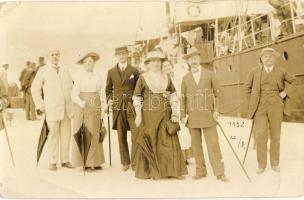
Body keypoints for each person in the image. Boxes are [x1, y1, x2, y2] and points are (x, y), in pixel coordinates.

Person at [133, 50, 187, 180]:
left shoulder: (166, 76)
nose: (157, 63)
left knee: (168, 140)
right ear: (149, 63)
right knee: (151, 139)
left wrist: (174, 112)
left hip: (165, 113)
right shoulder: (143, 77)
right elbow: (137, 97)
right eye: (154, 61)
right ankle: (151, 172)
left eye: (159, 61)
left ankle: (171, 171)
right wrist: (138, 115)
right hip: (148, 115)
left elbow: (173, 95)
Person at [244, 47, 297, 174]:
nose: (268, 58)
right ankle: (261, 165)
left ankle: (275, 163)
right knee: (260, 136)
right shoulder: (254, 72)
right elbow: (247, 88)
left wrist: (285, 92)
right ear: (261, 59)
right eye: (265, 56)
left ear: (274, 59)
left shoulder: (281, 71)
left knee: (275, 136)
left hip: (276, 107)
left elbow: (295, 81)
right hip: (260, 108)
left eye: (270, 56)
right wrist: (252, 103)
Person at [180, 48, 229, 182]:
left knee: (213, 144)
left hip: (209, 116)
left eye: (195, 58)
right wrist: (183, 115)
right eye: (190, 59)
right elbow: (182, 98)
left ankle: (220, 172)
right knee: (196, 146)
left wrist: (217, 110)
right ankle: (200, 171)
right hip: (193, 117)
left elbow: (218, 93)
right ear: (188, 62)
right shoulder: (185, 78)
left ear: (200, 59)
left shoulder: (210, 74)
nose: (193, 61)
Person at [31, 50, 74, 171]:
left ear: (60, 56)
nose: (55, 57)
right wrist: (40, 105)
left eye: (57, 54)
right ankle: (53, 161)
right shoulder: (43, 70)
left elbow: (71, 86)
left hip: (66, 108)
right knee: (53, 135)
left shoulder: (65, 69)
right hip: (52, 108)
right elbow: (35, 89)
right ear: (48, 56)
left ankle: (65, 160)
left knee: (66, 134)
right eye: (52, 55)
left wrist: (73, 103)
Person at [105, 46, 140, 171]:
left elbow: (139, 88)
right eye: (119, 54)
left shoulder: (135, 71)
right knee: (121, 135)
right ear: (116, 56)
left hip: (132, 106)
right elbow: (108, 89)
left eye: (123, 54)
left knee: (135, 134)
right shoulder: (111, 72)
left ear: (127, 55)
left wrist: (139, 103)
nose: (121, 56)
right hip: (118, 107)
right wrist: (109, 99)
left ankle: (136, 161)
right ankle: (125, 162)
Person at [71, 52, 105, 171]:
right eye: (85, 62)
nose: (88, 64)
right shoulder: (79, 76)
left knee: (95, 131)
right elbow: (74, 95)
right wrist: (81, 103)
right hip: (83, 107)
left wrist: (103, 108)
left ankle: (95, 162)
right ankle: (86, 162)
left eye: (90, 61)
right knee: (85, 132)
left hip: (95, 106)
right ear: (83, 64)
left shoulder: (98, 76)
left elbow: (101, 93)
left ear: (94, 63)